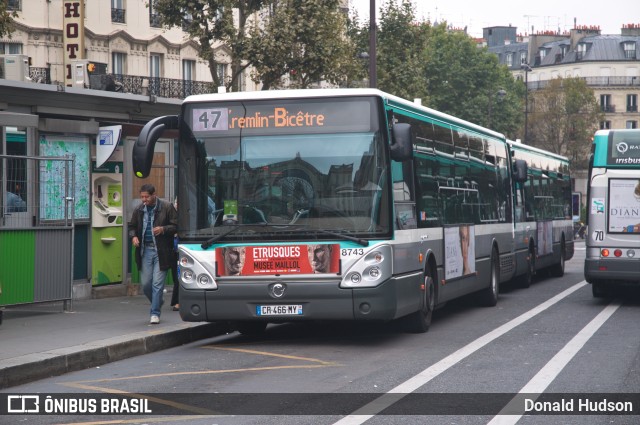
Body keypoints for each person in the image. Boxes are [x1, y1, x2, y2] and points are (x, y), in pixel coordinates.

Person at [129, 184, 177, 324]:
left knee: (157, 284)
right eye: (142, 197)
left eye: (147, 197)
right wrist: (134, 237)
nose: (144, 200)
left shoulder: (167, 207)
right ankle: (158, 300)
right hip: (145, 250)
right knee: (146, 284)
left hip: (162, 251)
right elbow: (132, 226)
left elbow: (177, 225)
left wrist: (163, 229)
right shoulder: (139, 209)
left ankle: (154, 313)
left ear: (154, 195)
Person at [170, 198, 180, 312]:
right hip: (173, 249)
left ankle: (178, 301)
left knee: (179, 276)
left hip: (183, 249)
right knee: (175, 276)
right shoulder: (171, 214)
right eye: (176, 202)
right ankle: (177, 300)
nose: (177, 205)